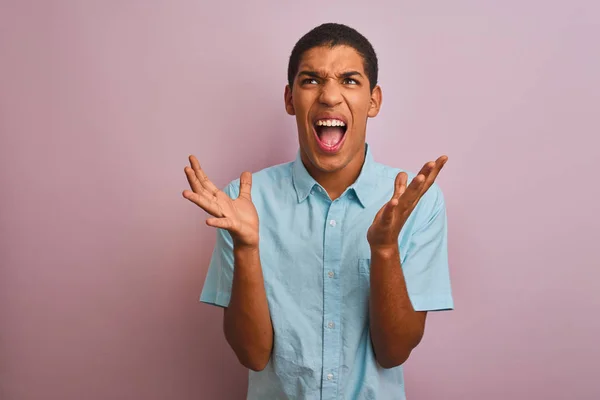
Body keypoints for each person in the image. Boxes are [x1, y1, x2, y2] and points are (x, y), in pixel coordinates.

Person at [183, 22, 454, 400]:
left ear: (373, 101)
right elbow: (252, 355)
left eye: (349, 81)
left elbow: (394, 353)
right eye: (311, 80)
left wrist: (385, 250)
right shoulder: (243, 202)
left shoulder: (418, 202)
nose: (329, 96)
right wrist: (246, 248)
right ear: (290, 99)